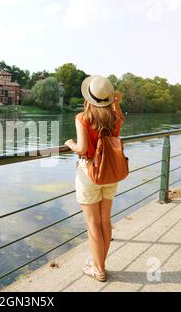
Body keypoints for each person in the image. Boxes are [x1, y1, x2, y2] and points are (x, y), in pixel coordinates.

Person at [64, 75, 125, 282]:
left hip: (90, 174)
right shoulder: (114, 117)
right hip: (110, 173)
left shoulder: (83, 117)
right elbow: (119, 116)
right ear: (108, 97)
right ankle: (99, 264)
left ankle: (98, 270)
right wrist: (115, 102)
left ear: (88, 97)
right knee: (105, 221)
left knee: (92, 223)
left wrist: (70, 143)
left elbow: (82, 148)